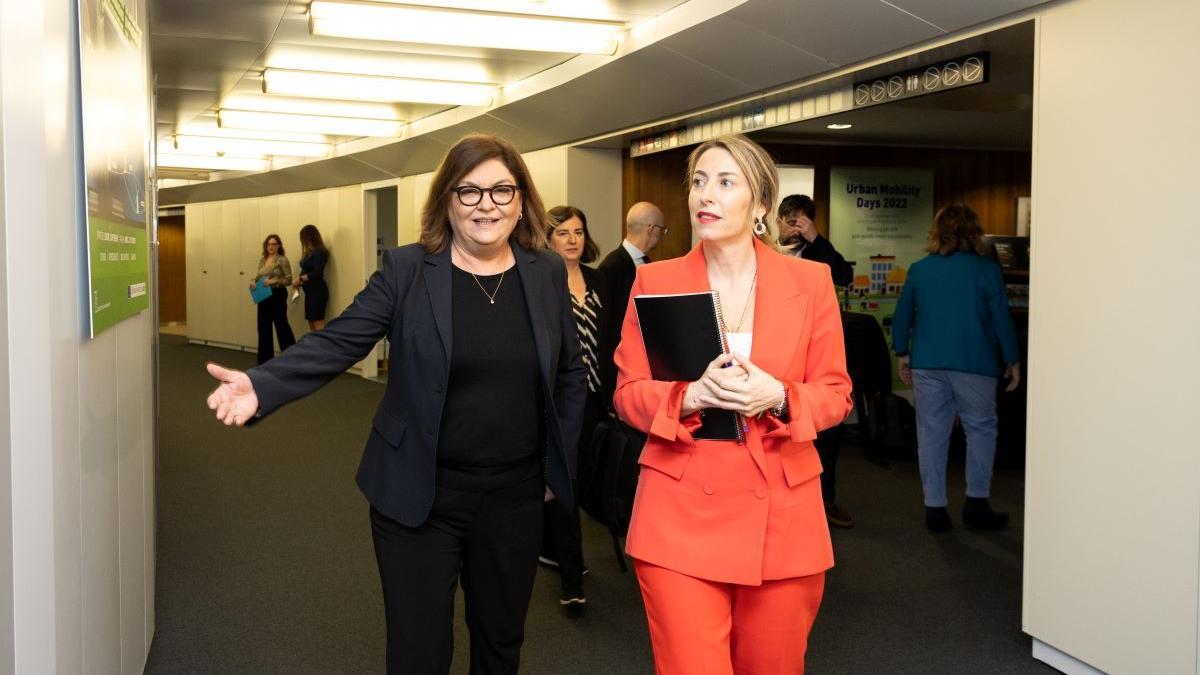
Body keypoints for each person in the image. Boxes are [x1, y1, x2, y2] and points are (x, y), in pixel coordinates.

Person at [205, 133, 586, 674]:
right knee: (418, 653)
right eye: (469, 191)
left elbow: (570, 373)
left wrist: (557, 462)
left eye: (502, 191)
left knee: (501, 643)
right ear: (446, 201)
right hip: (419, 495)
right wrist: (264, 384)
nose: (486, 206)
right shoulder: (409, 270)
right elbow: (341, 340)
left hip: (514, 497)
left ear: (522, 200)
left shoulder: (544, 272)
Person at [612, 135, 852, 674]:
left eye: (725, 182)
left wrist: (782, 396)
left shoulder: (810, 281)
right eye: (699, 181)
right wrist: (687, 395)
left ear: (761, 203)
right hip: (679, 513)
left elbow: (837, 395)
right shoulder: (655, 280)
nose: (706, 195)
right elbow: (627, 394)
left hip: (783, 516)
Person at [891, 203, 1021, 532]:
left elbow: (904, 313)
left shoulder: (920, 269)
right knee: (980, 431)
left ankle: (935, 509)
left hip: (928, 362)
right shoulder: (986, 270)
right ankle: (976, 503)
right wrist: (1012, 359)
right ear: (974, 232)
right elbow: (1001, 319)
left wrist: (903, 353)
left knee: (932, 433)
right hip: (974, 363)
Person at [538, 204, 605, 608]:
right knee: (565, 482)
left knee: (588, 480)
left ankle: (555, 549)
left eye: (578, 232)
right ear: (547, 240)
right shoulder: (541, 283)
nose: (572, 240)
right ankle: (571, 580)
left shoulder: (599, 280)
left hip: (599, 398)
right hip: (561, 400)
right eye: (563, 233)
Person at [778, 194, 855, 528]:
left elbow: (843, 275)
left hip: (814, 352)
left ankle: (825, 498)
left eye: (801, 222)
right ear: (778, 220)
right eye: (790, 220)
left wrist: (814, 237)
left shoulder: (817, 252)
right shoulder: (762, 250)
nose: (794, 228)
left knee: (825, 430)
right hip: (779, 351)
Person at [596, 201, 665, 405]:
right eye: (662, 230)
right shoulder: (611, 268)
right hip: (619, 370)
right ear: (652, 229)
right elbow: (607, 330)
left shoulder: (649, 266)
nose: (660, 236)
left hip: (647, 370)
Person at [252, 233, 296, 364]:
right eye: (268, 244)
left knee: (281, 325)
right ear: (266, 246)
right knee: (263, 327)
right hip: (263, 295)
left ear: (278, 246)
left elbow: (288, 280)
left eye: (274, 244)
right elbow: (259, 276)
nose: (271, 247)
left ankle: (291, 357)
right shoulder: (262, 260)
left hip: (277, 295)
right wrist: (253, 281)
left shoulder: (282, 260)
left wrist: (273, 281)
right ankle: (265, 360)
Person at [292, 224, 330, 331]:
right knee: (311, 323)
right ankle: (315, 347)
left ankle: (322, 347)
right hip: (310, 292)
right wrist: (298, 282)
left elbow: (317, 273)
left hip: (317, 292)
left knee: (318, 324)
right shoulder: (310, 252)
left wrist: (300, 279)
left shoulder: (319, 252)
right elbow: (306, 269)